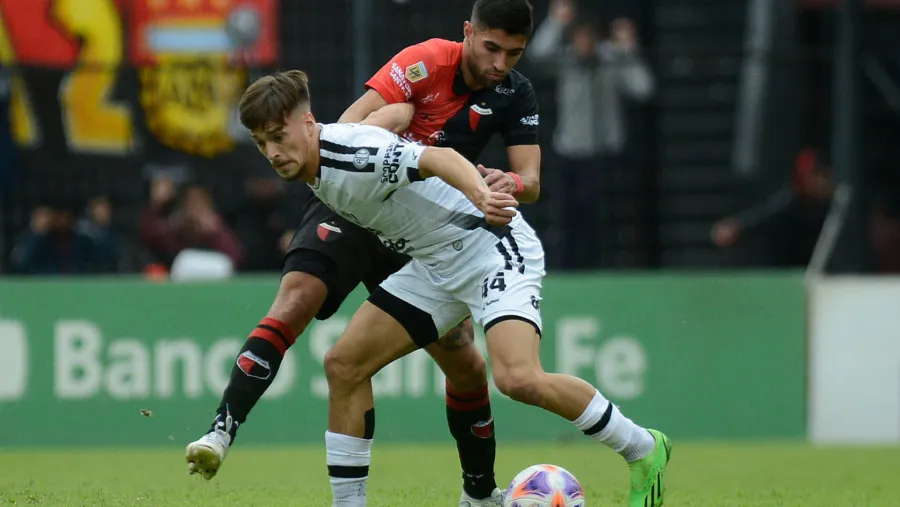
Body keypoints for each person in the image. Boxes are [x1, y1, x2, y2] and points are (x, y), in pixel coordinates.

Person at [238, 68, 671, 507]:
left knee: (518, 378)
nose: (272, 153)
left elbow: (437, 159)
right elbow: (389, 122)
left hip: (490, 246)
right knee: (344, 365)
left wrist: (481, 197)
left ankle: (644, 448)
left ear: (308, 123)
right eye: (262, 144)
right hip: (436, 264)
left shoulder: (352, 152)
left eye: (278, 136)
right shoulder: (320, 161)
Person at [186, 1, 542, 505]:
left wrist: (511, 182)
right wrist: (391, 126)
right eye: (492, 48)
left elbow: (531, 182)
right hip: (355, 201)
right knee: (295, 301)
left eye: (514, 52)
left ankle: (480, 494)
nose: (500, 63)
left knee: (466, 364)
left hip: (418, 226)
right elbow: (352, 125)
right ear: (469, 33)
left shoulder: (515, 92)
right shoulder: (423, 62)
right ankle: (220, 431)